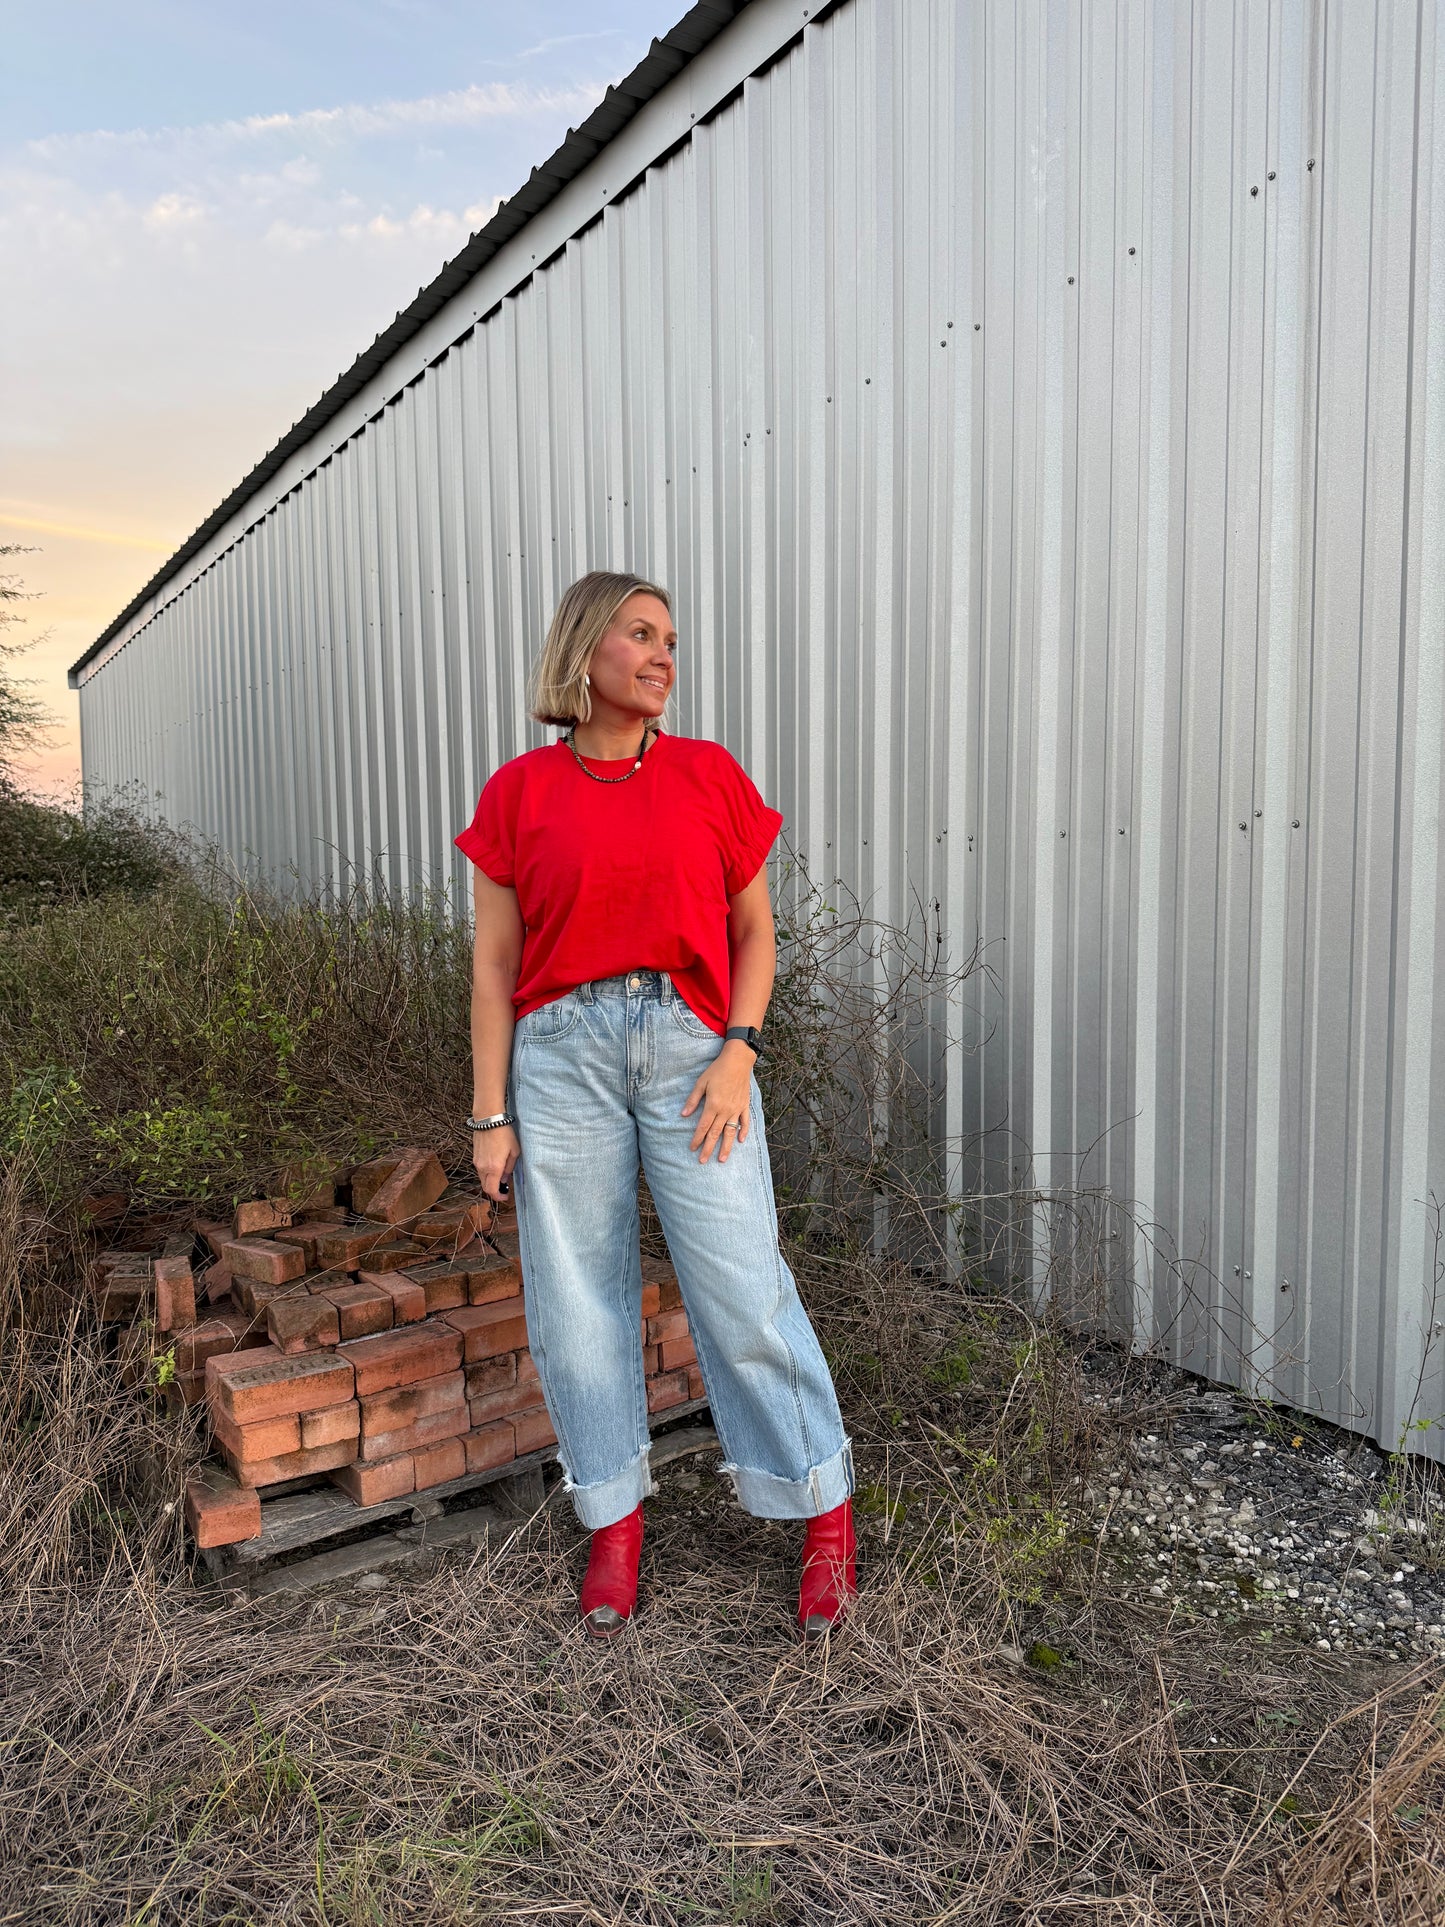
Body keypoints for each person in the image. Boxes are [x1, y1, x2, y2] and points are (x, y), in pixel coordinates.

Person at [456, 570, 856, 1641]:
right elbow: (494, 968)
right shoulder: (518, 794)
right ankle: (613, 1524)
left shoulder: (706, 776)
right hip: (560, 1057)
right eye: (639, 634)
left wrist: (739, 1051)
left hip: (692, 1053)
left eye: (670, 638)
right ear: (585, 651)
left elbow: (754, 935)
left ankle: (821, 1515)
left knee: (738, 1283)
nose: (662, 654)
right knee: (577, 1299)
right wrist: (488, 1115)